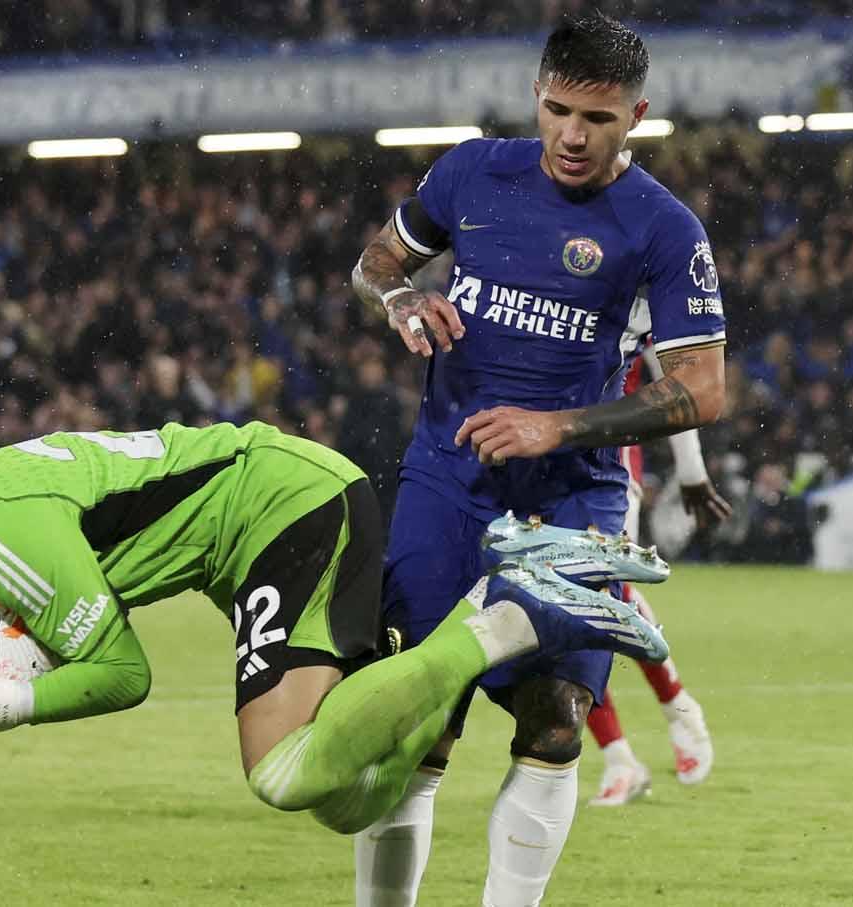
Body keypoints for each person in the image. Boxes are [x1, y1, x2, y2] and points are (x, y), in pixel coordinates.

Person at [0, 422, 670, 838]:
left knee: (278, 773)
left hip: (280, 504)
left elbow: (121, 673)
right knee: (347, 798)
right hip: (249, 543)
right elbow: (26, 647)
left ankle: (509, 608)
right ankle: (429, 656)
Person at [348, 15, 726, 905]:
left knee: (555, 721)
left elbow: (703, 387)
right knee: (418, 722)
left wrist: (558, 427)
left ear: (635, 113)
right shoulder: (472, 171)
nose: (571, 135)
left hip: (572, 498)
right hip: (446, 480)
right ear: (537, 95)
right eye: (558, 110)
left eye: (596, 118)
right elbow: (377, 258)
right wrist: (401, 296)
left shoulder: (664, 229)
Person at [585, 344, 731, 807]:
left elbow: (680, 377)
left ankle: (679, 709)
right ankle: (618, 758)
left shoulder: (634, 279)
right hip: (537, 453)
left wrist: (691, 471)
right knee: (552, 606)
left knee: (603, 596)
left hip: (607, 459)